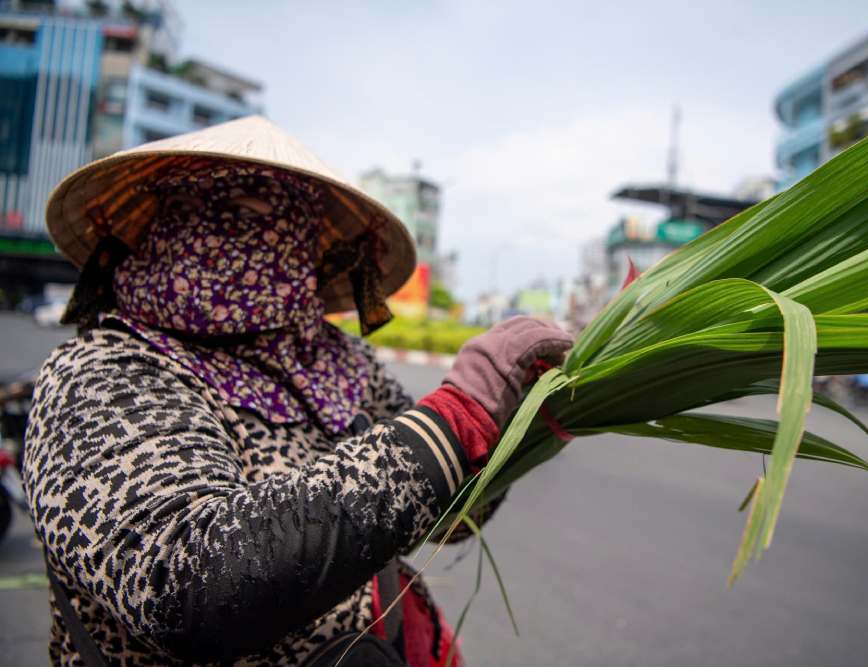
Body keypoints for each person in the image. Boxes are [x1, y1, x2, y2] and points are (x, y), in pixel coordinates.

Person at [23, 116, 573, 666]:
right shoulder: (106, 369)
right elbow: (188, 589)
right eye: (213, 207)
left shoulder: (339, 363)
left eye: (269, 217)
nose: (236, 235)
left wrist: (516, 427)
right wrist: (458, 414)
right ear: (167, 221)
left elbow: (446, 516)